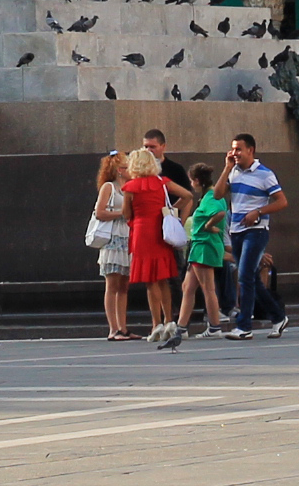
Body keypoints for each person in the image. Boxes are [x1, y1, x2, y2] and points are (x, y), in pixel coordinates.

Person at [220, 133, 285, 340]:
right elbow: (217, 194)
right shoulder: (234, 172)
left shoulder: (265, 174)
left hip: (256, 231)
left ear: (251, 150)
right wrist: (227, 168)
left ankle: (244, 325)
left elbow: (281, 201)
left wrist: (258, 211)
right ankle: (277, 316)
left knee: (244, 275)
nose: (235, 153)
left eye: (239, 149)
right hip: (236, 230)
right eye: (233, 149)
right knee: (251, 278)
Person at [120, 147, 182, 344]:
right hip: (161, 231)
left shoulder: (130, 187)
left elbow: (126, 214)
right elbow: (188, 195)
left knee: (150, 280)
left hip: (141, 232)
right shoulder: (162, 183)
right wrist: (178, 215)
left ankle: (156, 324)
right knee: (163, 278)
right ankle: (170, 320)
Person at [174, 163, 230, 338]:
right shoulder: (211, 195)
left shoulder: (212, 197)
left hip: (204, 245)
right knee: (188, 287)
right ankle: (181, 327)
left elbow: (220, 213)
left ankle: (214, 326)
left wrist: (208, 225)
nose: (191, 184)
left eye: (192, 181)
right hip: (201, 246)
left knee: (208, 288)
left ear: (197, 181)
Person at [85, 152, 133, 339]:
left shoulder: (129, 187)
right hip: (113, 238)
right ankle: (113, 328)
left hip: (127, 237)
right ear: (120, 170)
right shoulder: (109, 187)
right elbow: (100, 212)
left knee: (124, 285)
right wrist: (122, 212)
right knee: (112, 283)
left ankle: (123, 327)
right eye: (128, 167)